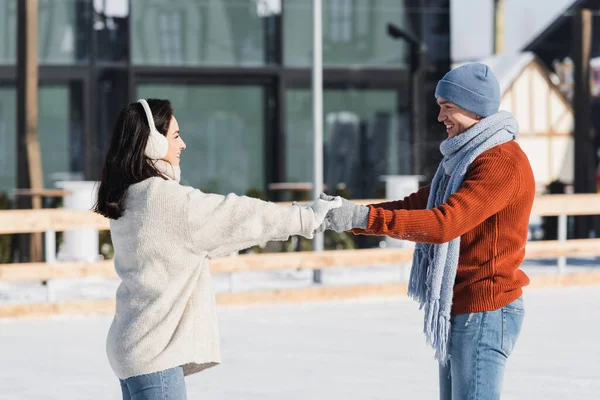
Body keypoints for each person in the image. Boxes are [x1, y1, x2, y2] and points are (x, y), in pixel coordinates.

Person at [93, 98, 341, 400]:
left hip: (132, 345)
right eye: (175, 136)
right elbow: (238, 216)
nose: (183, 144)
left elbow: (213, 238)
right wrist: (305, 217)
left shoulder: (131, 197)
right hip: (153, 353)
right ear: (153, 143)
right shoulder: (167, 201)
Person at [318, 63, 535, 399]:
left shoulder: (499, 162)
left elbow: (444, 224)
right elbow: (418, 204)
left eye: (448, 107)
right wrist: (350, 216)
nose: (440, 117)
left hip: (486, 309)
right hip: (462, 305)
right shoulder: (465, 158)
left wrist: (361, 217)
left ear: (473, 108)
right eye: (439, 107)